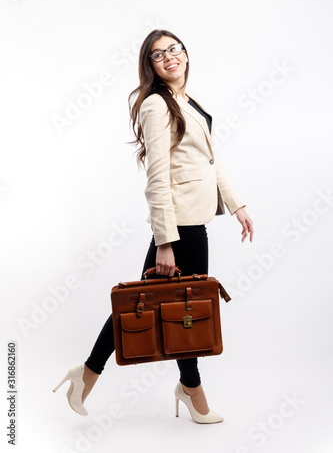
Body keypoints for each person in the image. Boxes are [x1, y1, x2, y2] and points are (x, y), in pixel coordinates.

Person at [53, 29, 254, 424]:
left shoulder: (187, 101)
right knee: (181, 308)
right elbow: (157, 178)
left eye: (174, 49)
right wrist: (166, 241)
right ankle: (189, 391)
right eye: (158, 54)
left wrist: (237, 205)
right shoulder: (156, 106)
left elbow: (211, 160)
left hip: (194, 220)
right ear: (150, 66)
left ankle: (92, 375)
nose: (169, 57)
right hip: (180, 225)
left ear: (185, 54)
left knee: (173, 306)